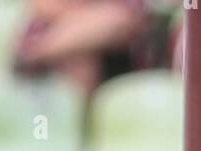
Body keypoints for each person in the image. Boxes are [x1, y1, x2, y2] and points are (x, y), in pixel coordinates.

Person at [13, 0, 151, 94]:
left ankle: (31, 55)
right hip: (59, 45)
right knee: (81, 57)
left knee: (112, 23)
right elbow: (38, 5)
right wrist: (89, 20)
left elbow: (129, 21)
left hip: (118, 61)